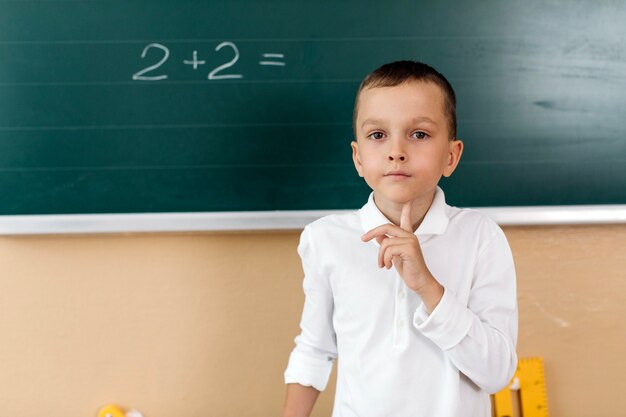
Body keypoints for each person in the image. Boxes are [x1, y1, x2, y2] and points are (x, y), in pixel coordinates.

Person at [282, 60, 518, 417]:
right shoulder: (326, 240)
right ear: (358, 157)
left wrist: (426, 286)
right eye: (378, 135)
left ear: (451, 156)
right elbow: (314, 351)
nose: (396, 151)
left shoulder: (480, 237)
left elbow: (497, 373)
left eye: (419, 134)